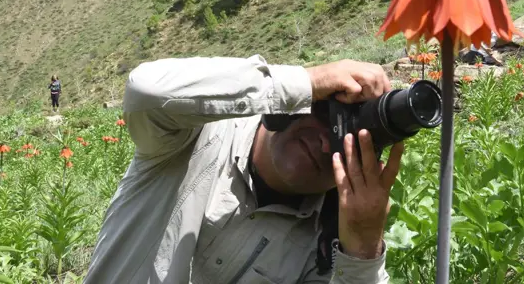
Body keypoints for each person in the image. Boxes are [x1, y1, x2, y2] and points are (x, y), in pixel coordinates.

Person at [84, 56, 403, 284]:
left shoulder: (325, 241)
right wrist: (306, 80)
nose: (324, 145)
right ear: (295, 105)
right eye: (326, 117)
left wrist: (362, 250)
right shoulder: (195, 133)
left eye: (346, 143)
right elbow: (146, 90)